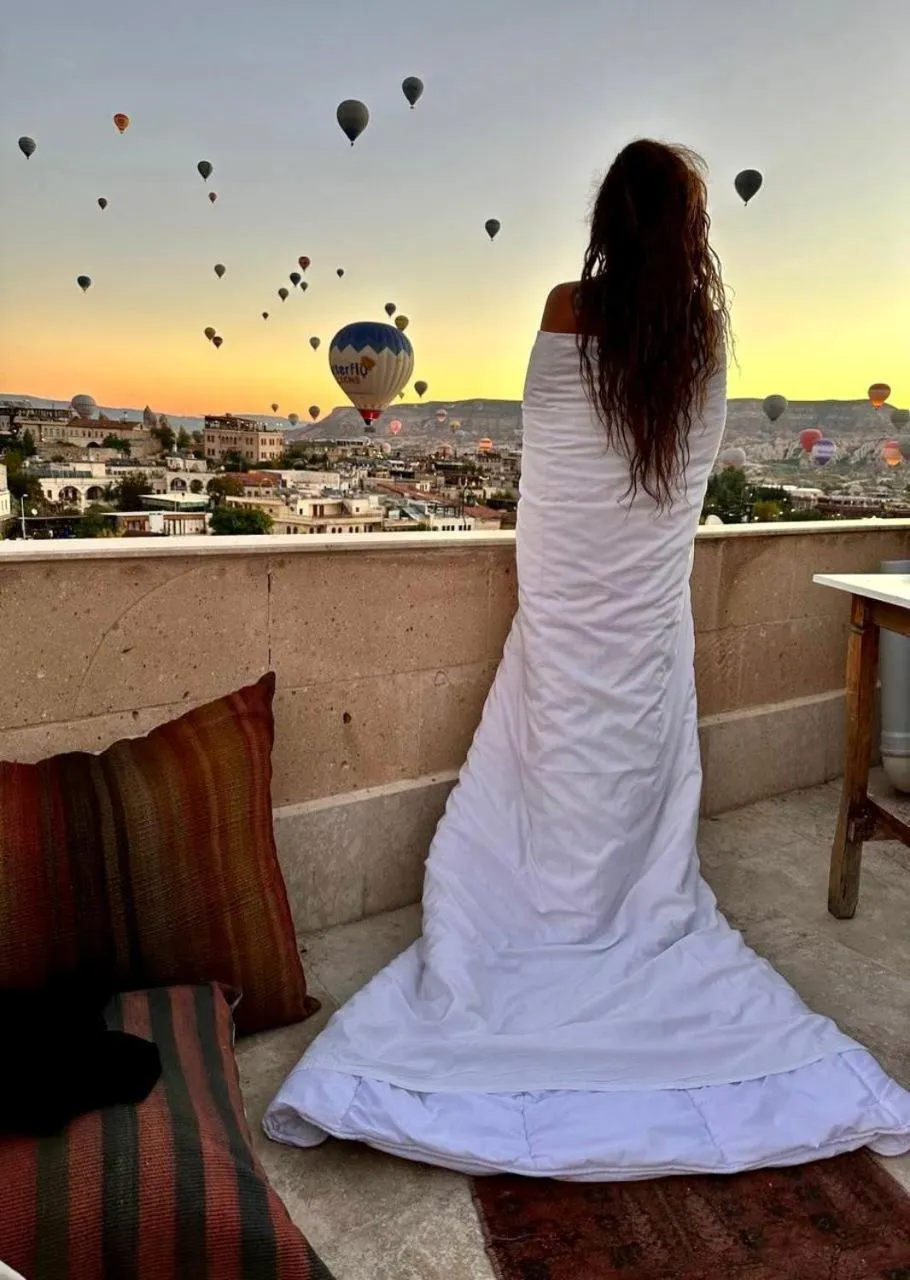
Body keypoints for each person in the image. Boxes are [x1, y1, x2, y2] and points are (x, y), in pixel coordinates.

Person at [264, 140, 910, 1178]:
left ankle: (534, 947)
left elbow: (549, 477)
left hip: (562, 619)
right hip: (646, 632)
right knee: (636, 820)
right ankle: (627, 949)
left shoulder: (568, 307)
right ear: (690, 232)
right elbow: (676, 491)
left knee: (534, 789)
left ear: (609, 220)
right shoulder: (699, 337)